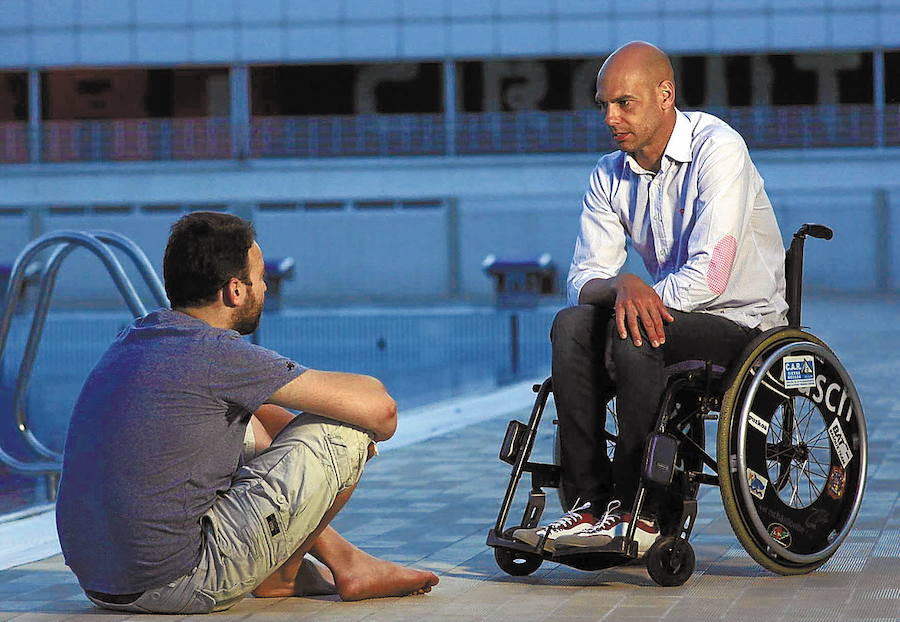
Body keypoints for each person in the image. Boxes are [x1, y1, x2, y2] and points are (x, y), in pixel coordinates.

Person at [56, 211, 439, 614]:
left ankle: (344, 561)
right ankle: (284, 575)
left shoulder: (136, 338)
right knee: (344, 431)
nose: (266, 287)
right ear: (235, 290)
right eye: (260, 277)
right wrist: (341, 448)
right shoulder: (217, 354)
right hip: (177, 583)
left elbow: (265, 416)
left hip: (101, 583)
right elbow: (383, 413)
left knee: (257, 415)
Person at [513, 41, 787, 555]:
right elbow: (582, 279)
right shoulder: (608, 173)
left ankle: (643, 510)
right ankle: (588, 505)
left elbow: (712, 275)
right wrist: (623, 286)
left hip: (742, 324)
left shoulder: (718, 148)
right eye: (603, 105)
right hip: (671, 319)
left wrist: (636, 303)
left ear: (665, 95)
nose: (610, 118)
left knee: (634, 330)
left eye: (624, 103)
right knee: (571, 324)